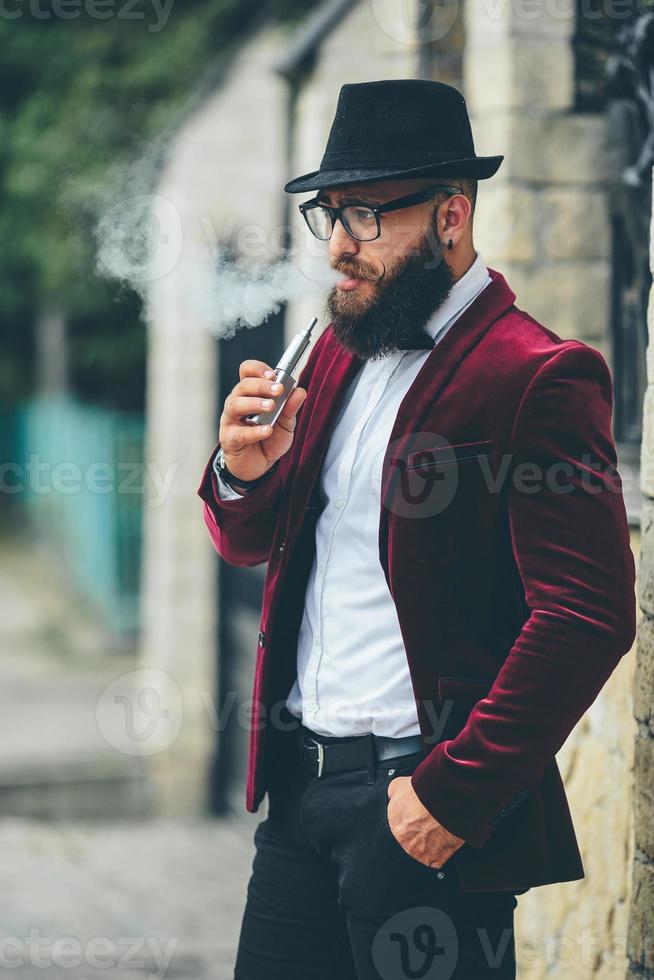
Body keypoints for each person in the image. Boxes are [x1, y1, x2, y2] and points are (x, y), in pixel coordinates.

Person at [196, 79, 637, 980]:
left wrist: (453, 794)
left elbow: (588, 615)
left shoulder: (540, 374)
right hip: (299, 799)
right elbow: (255, 545)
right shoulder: (333, 349)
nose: (338, 252)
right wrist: (242, 476)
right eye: (331, 218)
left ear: (450, 215)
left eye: (365, 217)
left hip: (421, 810)